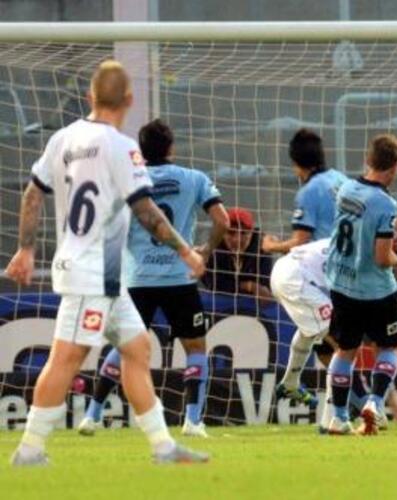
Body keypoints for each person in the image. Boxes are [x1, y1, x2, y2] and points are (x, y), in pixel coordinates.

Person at [4, 60, 208, 465]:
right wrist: (186, 250)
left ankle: (163, 447)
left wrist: (26, 248)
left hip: (105, 274)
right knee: (68, 357)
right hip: (93, 273)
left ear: (89, 97)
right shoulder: (121, 147)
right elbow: (146, 211)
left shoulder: (63, 138)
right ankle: (29, 449)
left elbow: (32, 193)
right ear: (129, 100)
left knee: (136, 348)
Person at [78, 119, 229, 438]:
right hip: (180, 277)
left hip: (138, 280)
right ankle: (192, 421)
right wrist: (206, 251)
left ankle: (91, 415)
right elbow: (222, 220)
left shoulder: (128, 182)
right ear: (171, 147)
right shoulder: (194, 178)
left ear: (140, 150)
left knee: (124, 346)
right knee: (196, 347)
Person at [270, 235, 397, 426]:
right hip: (296, 278)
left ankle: (290, 383)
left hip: (289, 271)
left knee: (317, 335)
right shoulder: (372, 263)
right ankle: (338, 417)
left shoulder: (363, 242)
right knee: (342, 346)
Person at [324, 133, 397, 435]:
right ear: (395, 166)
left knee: (345, 351)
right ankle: (373, 403)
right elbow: (383, 258)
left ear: (368, 160)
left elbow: (355, 225)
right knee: (390, 347)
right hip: (375, 291)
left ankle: (338, 418)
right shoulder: (385, 203)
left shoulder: (345, 188)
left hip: (341, 284)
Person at [261, 129, 348, 253]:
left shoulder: (309, 191)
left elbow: (299, 243)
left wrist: (271, 246)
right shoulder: (342, 179)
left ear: (297, 163)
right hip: (350, 260)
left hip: (325, 263)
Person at [202, 207, 273, 305]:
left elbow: (265, 286)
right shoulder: (214, 247)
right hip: (220, 304)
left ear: (252, 233)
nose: (237, 240)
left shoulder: (262, 249)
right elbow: (212, 283)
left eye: (244, 233)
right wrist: (250, 286)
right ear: (222, 234)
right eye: (231, 233)